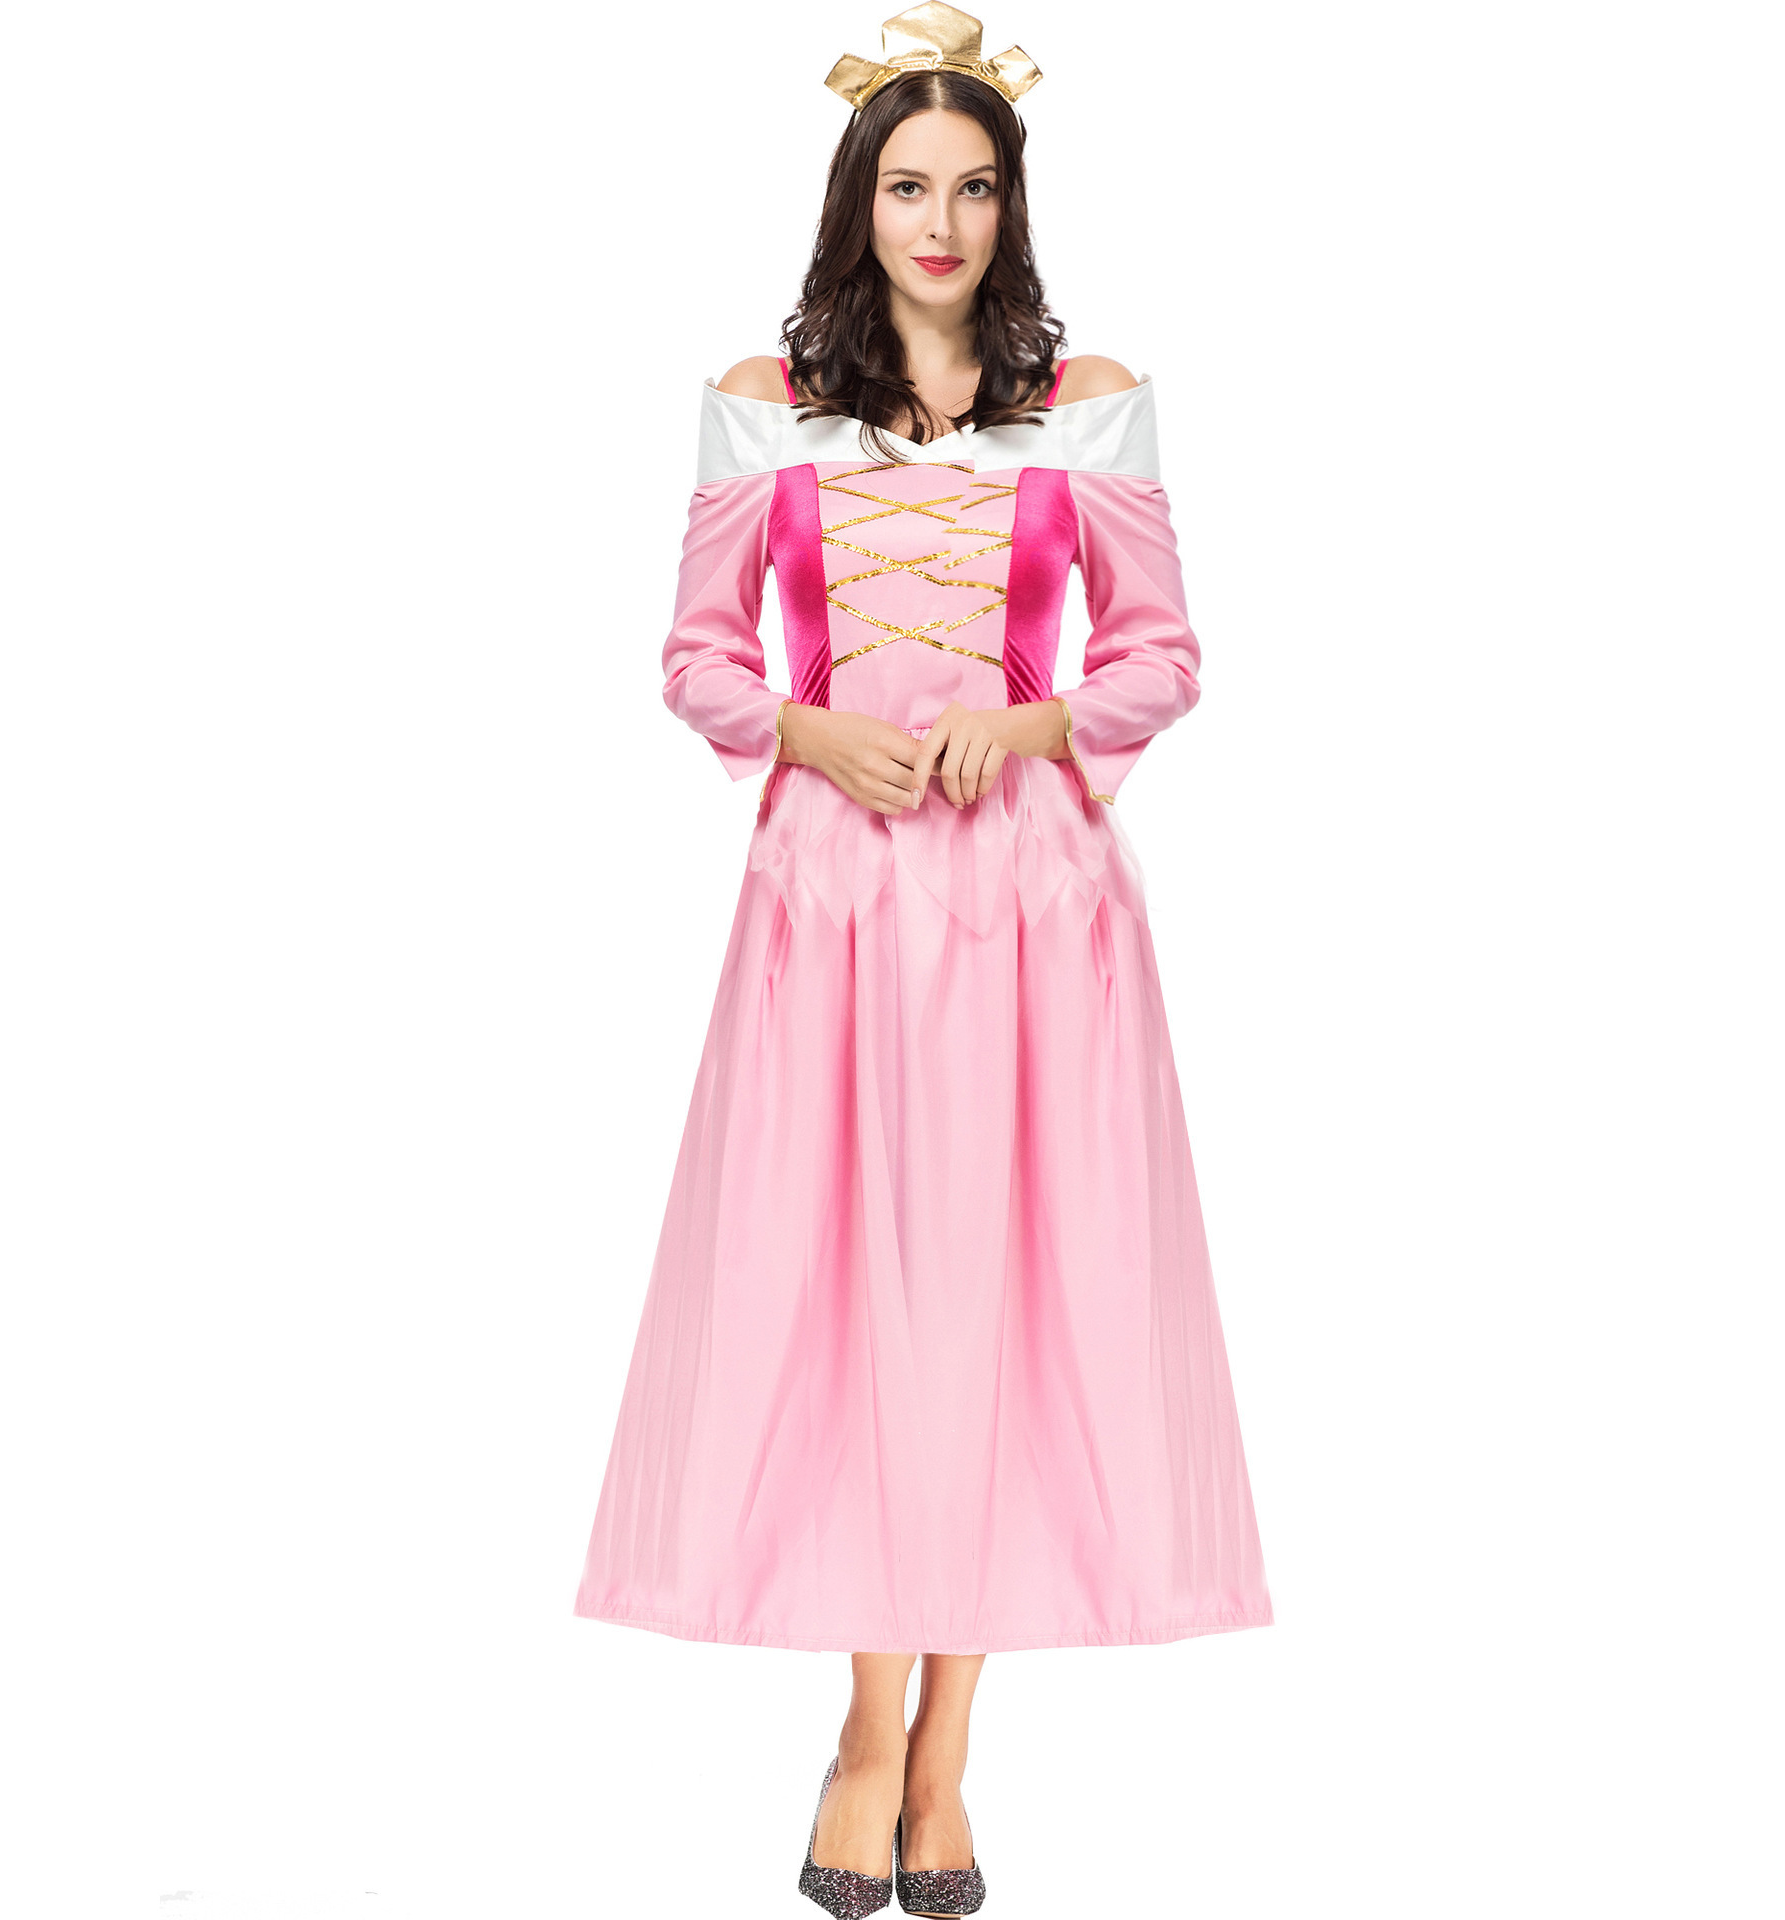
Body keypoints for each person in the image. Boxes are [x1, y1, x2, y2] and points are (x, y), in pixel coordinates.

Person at [573, 6, 1272, 1912]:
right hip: (833, 901)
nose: (940, 222)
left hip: (1034, 901)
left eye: (972, 187)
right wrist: (805, 728)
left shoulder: (1087, 397)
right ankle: (869, 1728)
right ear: (856, 200)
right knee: (850, 1304)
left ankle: (941, 1749)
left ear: (1011, 202)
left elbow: (1162, 656)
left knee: (1005, 1307)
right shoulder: (768, 397)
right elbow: (698, 656)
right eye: (907, 186)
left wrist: (1032, 724)